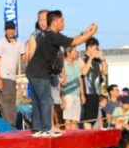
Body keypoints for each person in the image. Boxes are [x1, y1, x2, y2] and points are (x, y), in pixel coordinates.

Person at [24, 9, 97, 137]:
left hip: (33, 71)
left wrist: (86, 32)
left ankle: (37, 129)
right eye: (62, 20)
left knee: (37, 101)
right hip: (38, 73)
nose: (64, 23)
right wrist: (92, 34)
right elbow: (73, 42)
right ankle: (46, 129)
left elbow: (69, 39)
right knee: (46, 100)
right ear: (55, 22)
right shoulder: (52, 35)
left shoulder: (48, 34)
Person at [0, 20, 22, 125]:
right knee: (6, 106)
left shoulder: (19, 43)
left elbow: (24, 56)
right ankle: (8, 130)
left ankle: (12, 129)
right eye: (8, 29)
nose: (10, 31)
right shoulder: (1, 42)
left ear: (15, 29)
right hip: (4, 77)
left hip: (13, 78)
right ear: (5, 30)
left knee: (12, 106)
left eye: (12, 29)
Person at [80, 38, 106, 129]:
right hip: (88, 91)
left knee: (94, 117)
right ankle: (87, 136)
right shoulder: (82, 59)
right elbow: (84, 72)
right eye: (95, 48)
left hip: (96, 92)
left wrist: (102, 59)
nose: (97, 50)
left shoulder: (97, 60)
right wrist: (91, 58)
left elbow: (105, 72)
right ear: (89, 47)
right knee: (88, 118)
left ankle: (90, 134)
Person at [60, 48, 83, 130]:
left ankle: (74, 138)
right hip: (67, 93)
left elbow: (80, 79)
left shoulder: (77, 64)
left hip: (76, 93)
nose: (76, 53)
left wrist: (82, 94)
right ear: (68, 53)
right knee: (68, 118)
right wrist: (63, 98)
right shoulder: (63, 65)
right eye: (74, 51)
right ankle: (68, 137)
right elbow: (61, 82)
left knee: (75, 119)